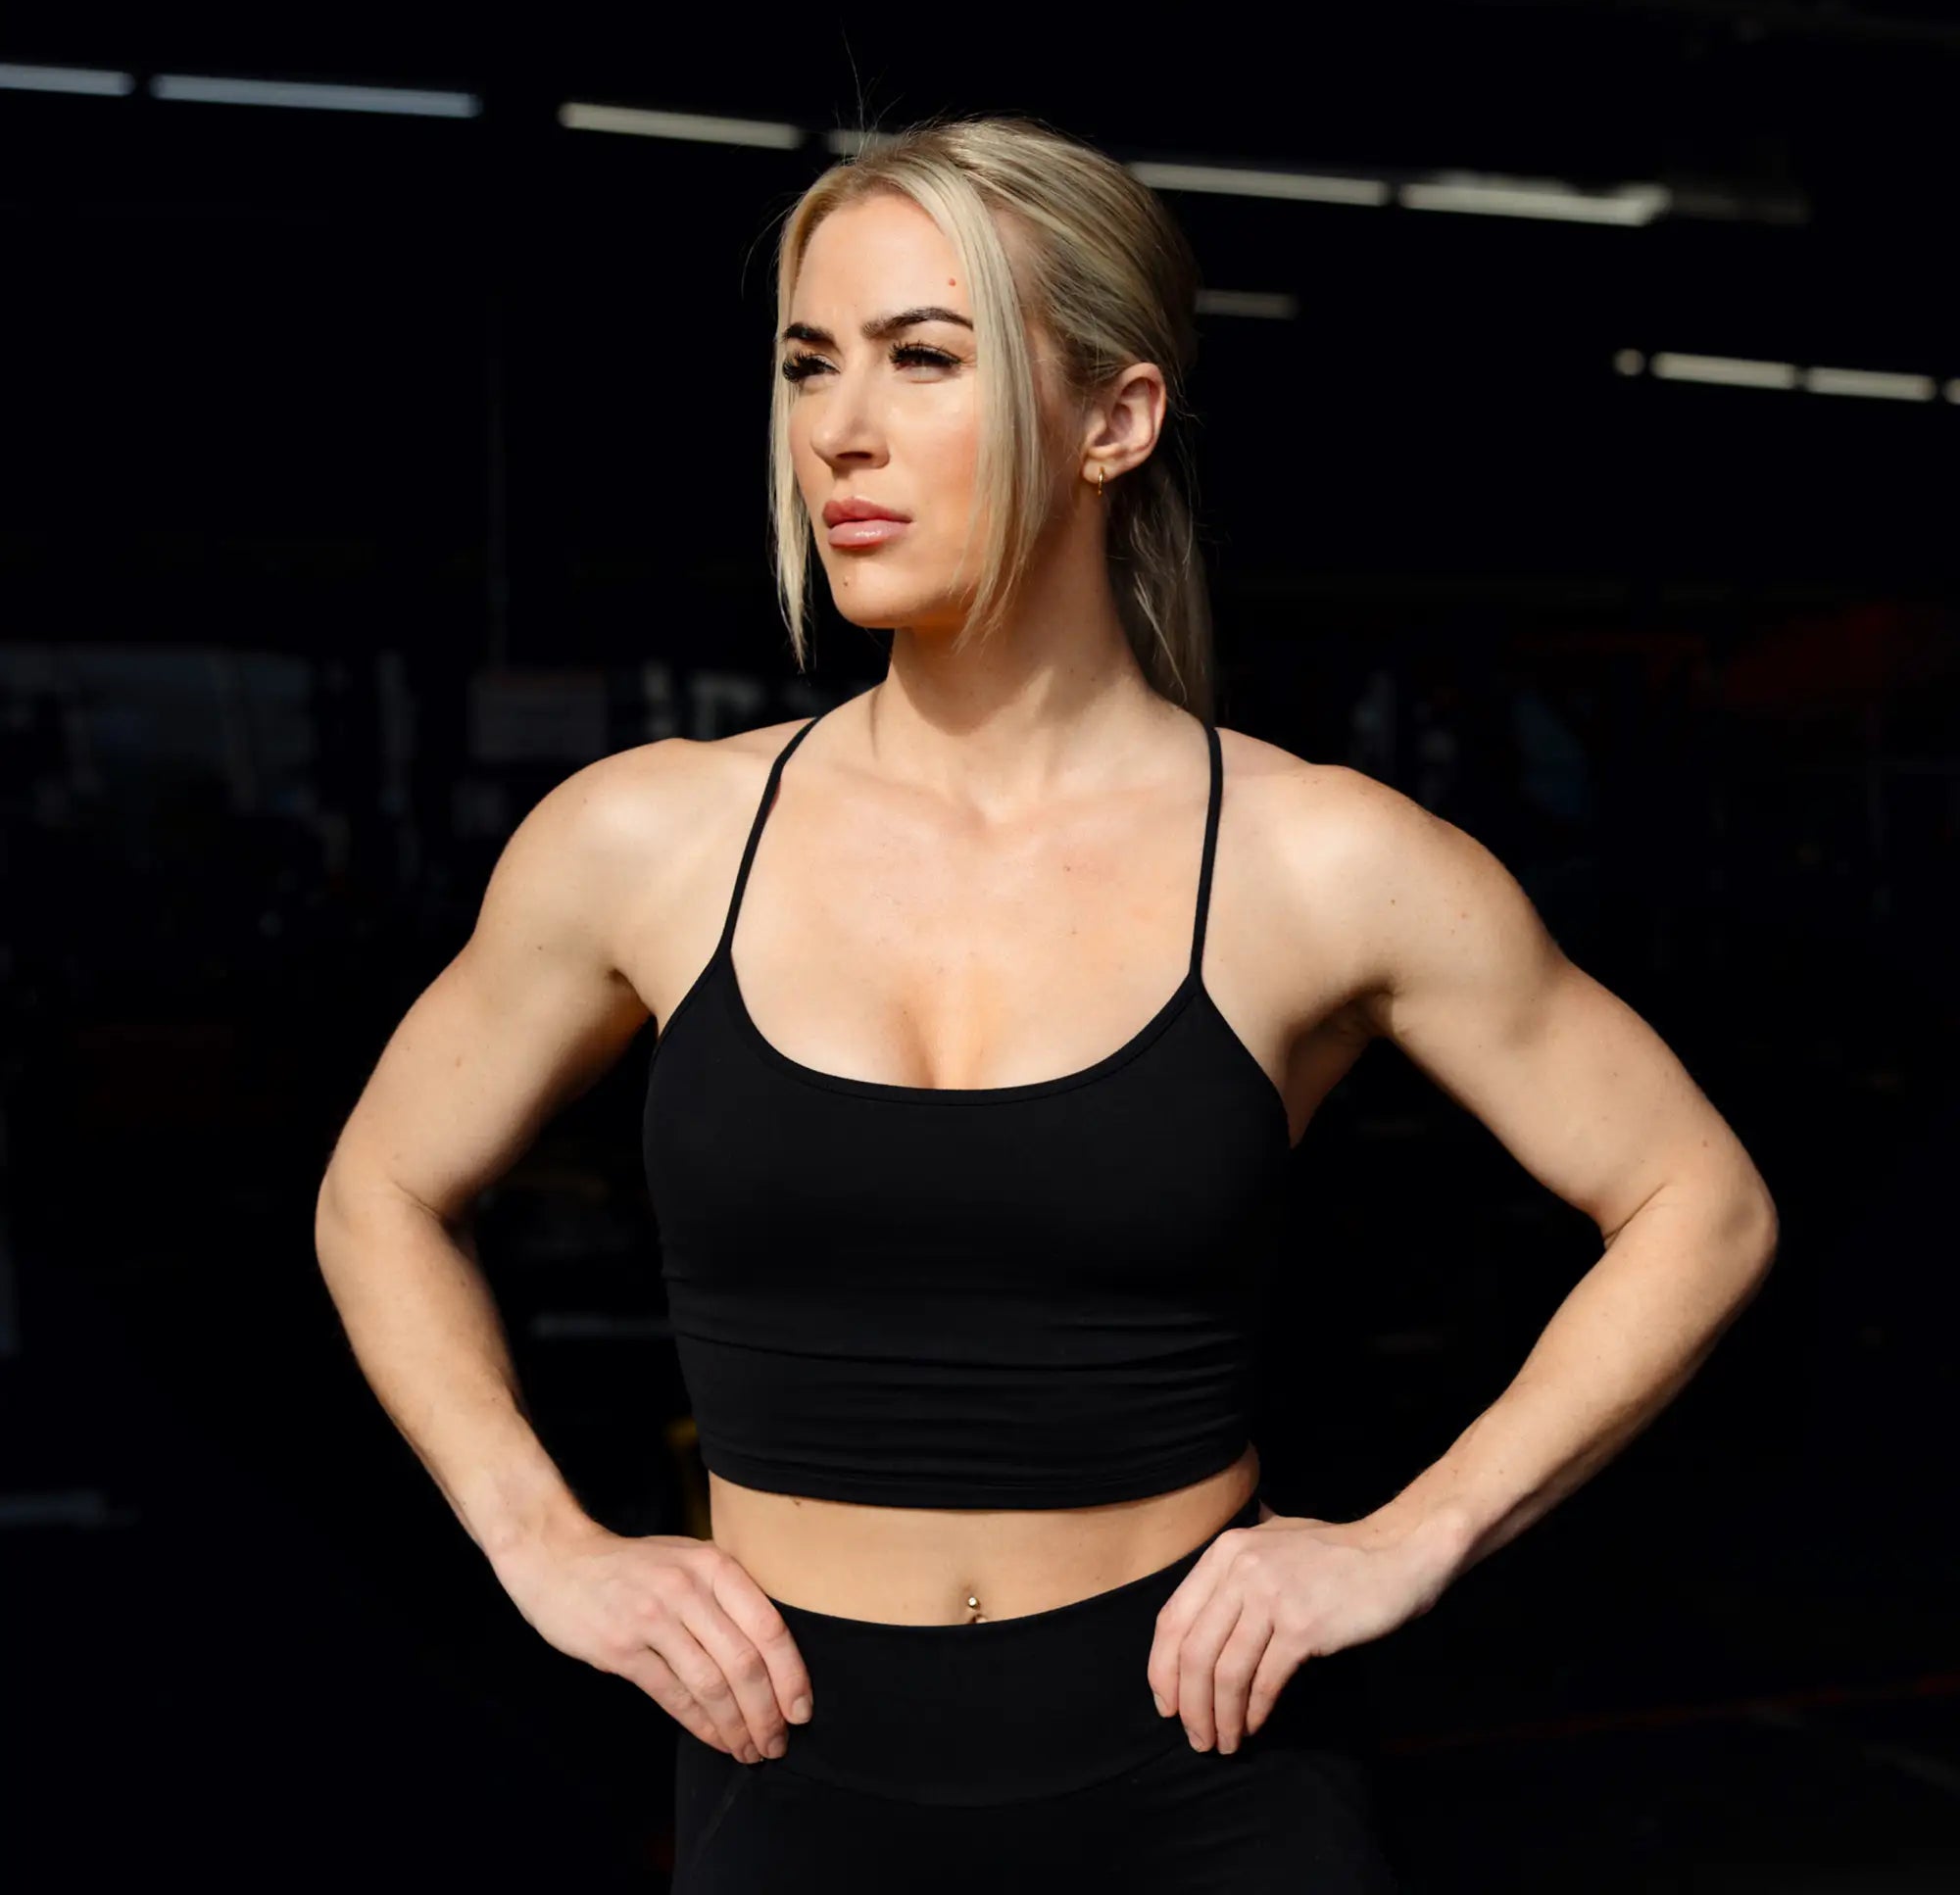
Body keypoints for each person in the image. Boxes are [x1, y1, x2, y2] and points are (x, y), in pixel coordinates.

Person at [314, 114, 1780, 1890]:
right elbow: (378, 1189)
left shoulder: (1320, 862)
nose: (838, 430)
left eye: (925, 358)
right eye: (807, 363)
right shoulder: (648, 840)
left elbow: (1697, 1201)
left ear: (1117, 420)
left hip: (1209, 1777)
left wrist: (1411, 1538)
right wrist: (538, 1537)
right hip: (787, 1771)